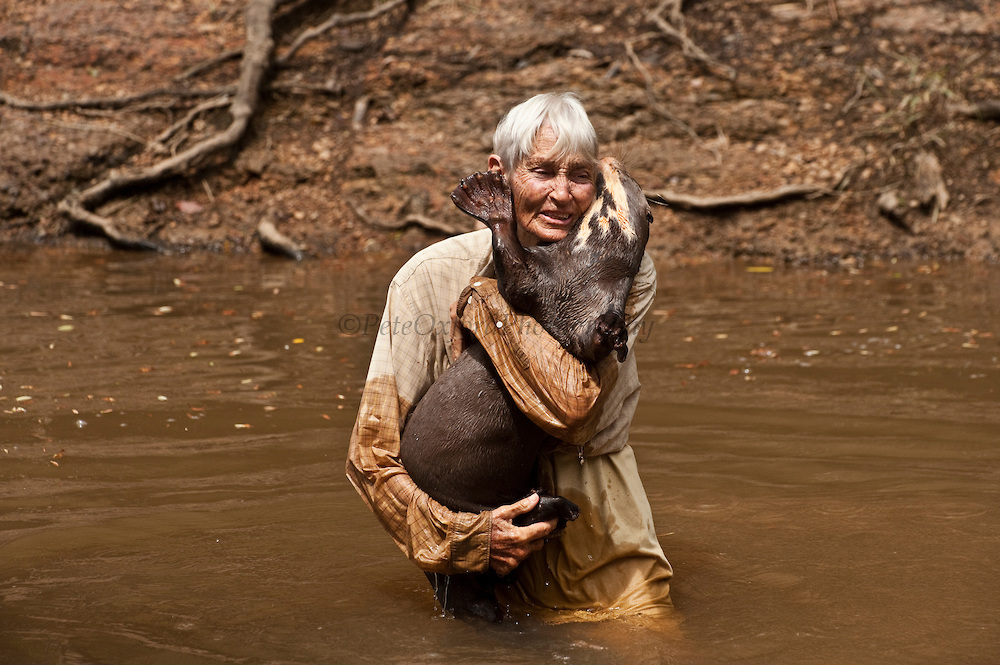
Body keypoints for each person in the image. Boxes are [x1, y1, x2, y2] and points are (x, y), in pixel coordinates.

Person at [346, 92, 672, 618]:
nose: (561, 195)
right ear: (499, 175)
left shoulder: (626, 271)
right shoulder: (427, 277)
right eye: (541, 171)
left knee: (648, 636)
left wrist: (482, 305)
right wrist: (467, 537)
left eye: (580, 176)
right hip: (468, 502)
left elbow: (566, 404)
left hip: (589, 488)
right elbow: (370, 458)